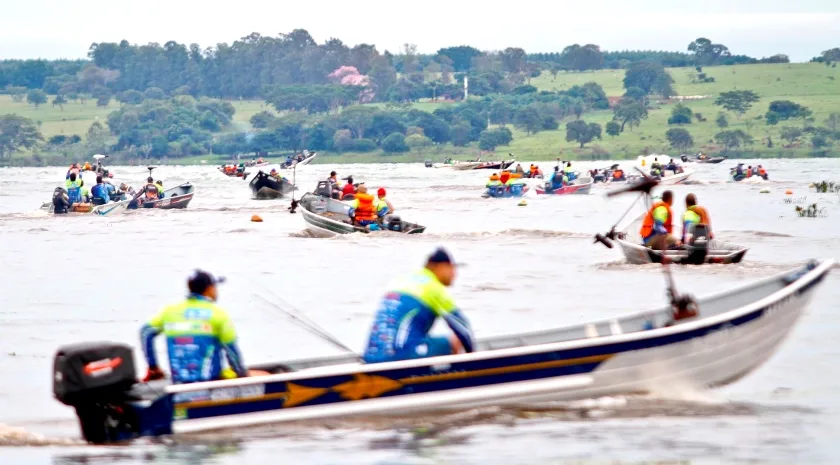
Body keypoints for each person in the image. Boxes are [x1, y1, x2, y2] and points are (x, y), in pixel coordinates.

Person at [363, 248, 474, 364]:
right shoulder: (434, 288)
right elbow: (464, 331)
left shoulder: (400, 281)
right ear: (440, 267)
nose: (454, 274)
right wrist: (472, 358)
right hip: (400, 355)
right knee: (454, 342)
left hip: (370, 357)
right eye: (452, 268)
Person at [140, 270, 248, 384]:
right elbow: (232, 353)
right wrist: (242, 375)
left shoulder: (169, 312)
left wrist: (153, 366)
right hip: (209, 383)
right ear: (209, 289)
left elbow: (145, 333)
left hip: (179, 383)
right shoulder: (218, 314)